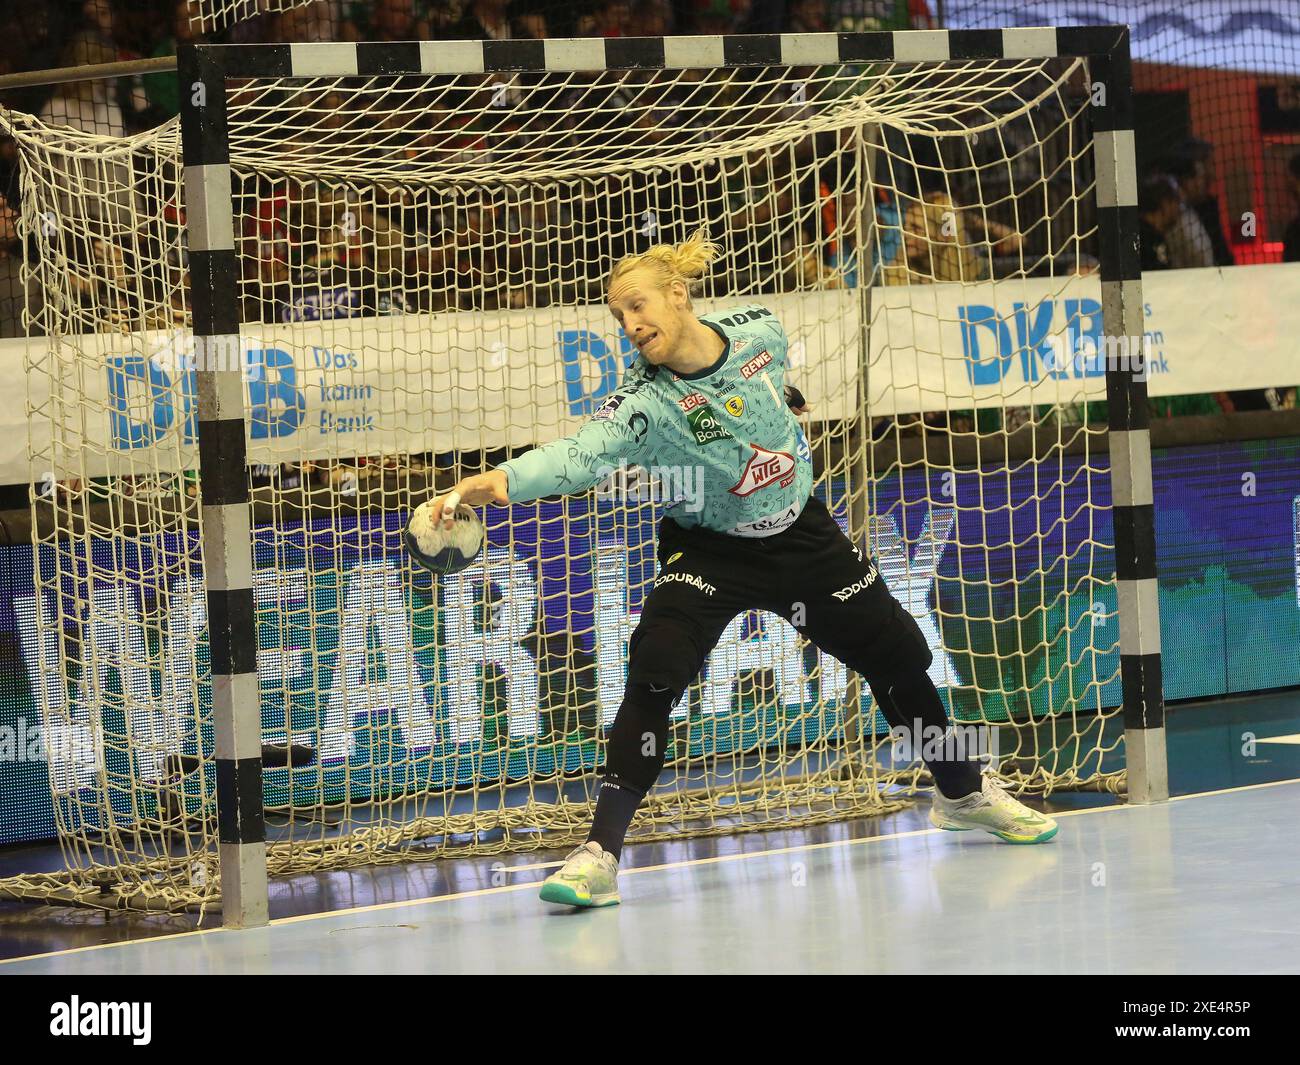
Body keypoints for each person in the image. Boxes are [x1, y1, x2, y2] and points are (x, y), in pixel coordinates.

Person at [422, 229, 1058, 908]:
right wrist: (473, 487)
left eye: (637, 307)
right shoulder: (644, 404)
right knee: (657, 662)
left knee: (900, 653)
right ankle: (599, 853)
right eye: (618, 318)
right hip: (709, 550)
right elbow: (573, 457)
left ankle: (960, 790)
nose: (631, 326)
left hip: (802, 536)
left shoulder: (760, 329)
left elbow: (765, 384)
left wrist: (785, 399)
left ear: (678, 293)